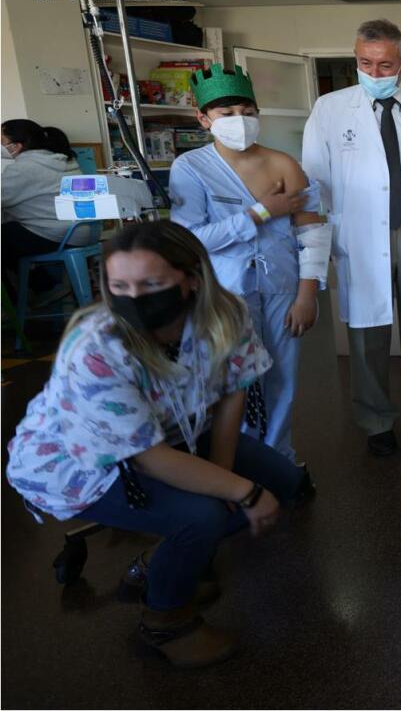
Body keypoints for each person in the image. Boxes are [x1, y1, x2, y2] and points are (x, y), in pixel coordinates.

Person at [5, 221, 309, 668]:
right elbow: (145, 458)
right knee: (203, 515)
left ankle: (160, 563)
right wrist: (237, 491)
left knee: (282, 481)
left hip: (175, 430)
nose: (134, 297)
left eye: (152, 284)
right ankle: (165, 620)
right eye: (119, 286)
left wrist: (225, 477)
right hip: (81, 464)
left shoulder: (225, 313)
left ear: (191, 279)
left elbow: (231, 391)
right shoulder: (95, 346)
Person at [302, 19, 401, 457]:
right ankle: (375, 419)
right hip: (361, 233)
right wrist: (323, 237)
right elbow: (315, 181)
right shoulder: (330, 109)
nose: (375, 73)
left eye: (386, 65)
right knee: (368, 331)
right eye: (365, 63)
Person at [169, 64, 330, 461]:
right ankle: (237, 463)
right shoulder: (190, 169)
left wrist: (308, 294)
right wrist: (259, 213)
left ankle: (278, 460)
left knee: (281, 378)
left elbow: (313, 231)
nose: (239, 121)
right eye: (226, 114)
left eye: (247, 111)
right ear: (204, 119)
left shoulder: (284, 165)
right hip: (225, 292)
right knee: (232, 381)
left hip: (281, 286)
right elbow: (189, 240)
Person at [1, 119, 92, 297]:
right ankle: (42, 286)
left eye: (1, 141)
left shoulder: (25, 168)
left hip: (57, 234)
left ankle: (41, 289)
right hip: (81, 230)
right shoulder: (61, 159)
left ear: (16, 146)